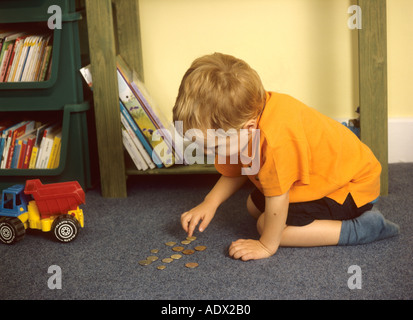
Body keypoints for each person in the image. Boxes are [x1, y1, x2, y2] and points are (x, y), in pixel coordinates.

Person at [172, 52, 399, 261]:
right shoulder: (245, 117)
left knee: (265, 225)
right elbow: (237, 170)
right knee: (253, 205)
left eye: (214, 148)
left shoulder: (275, 140)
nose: (209, 154)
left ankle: (361, 228)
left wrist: (266, 245)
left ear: (249, 128)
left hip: (350, 188)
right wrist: (209, 203)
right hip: (323, 178)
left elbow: (278, 197)